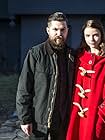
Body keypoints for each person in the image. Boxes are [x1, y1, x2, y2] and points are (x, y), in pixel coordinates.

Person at [16, 11, 75, 140]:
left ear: (67, 30)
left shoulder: (72, 56)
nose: (59, 33)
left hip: (64, 119)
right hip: (40, 120)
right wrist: (25, 119)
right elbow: (24, 88)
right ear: (48, 30)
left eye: (63, 29)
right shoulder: (36, 53)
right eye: (55, 29)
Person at [66, 19, 105, 140]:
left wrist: (101, 116)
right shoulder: (78, 57)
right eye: (87, 35)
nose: (91, 39)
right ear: (83, 37)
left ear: (101, 35)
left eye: (95, 35)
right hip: (76, 117)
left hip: (97, 118)